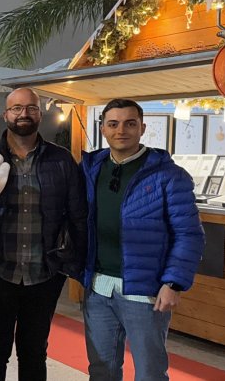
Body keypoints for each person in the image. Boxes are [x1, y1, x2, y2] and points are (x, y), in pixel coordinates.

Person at [0, 87, 88, 381]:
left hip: (43, 275)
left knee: (34, 351)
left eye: (30, 108)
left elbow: (78, 216)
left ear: (40, 114)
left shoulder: (61, 161)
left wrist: (69, 265)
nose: (24, 114)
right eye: (17, 108)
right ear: (6, 114)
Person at [81, 98, 204, 381]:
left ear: (142, 128)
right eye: (113, 124)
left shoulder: (169, 176)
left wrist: (173, 283)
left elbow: (189, 234)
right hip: (98, 287)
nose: (121, 130)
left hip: (145, 291)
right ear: (103, 129)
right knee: (101, 370)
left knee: (150, 372)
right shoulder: (91, 169)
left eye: (129, 123)